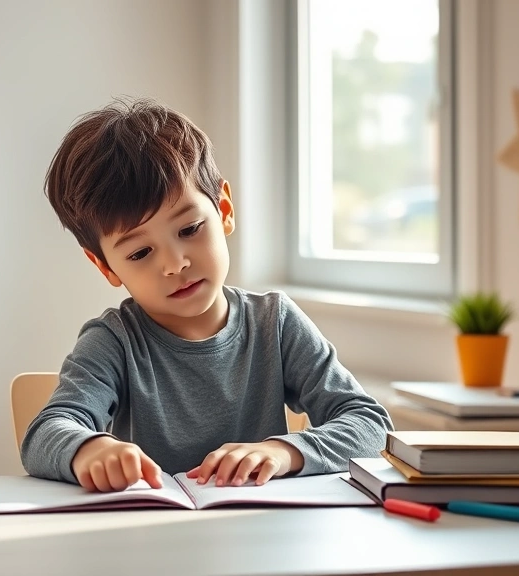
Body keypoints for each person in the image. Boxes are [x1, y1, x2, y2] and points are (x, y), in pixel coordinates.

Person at [21, 96, 393, 493]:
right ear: (106, 267)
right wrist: (89, 448)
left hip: (265, 535)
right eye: (140, 252)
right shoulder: (112, 341)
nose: (174, 264)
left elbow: (370, 425)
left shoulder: (275, 323)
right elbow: (45, 432)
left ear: (224, 209)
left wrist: (285, 452)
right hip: (153, 540)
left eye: (189, 229)